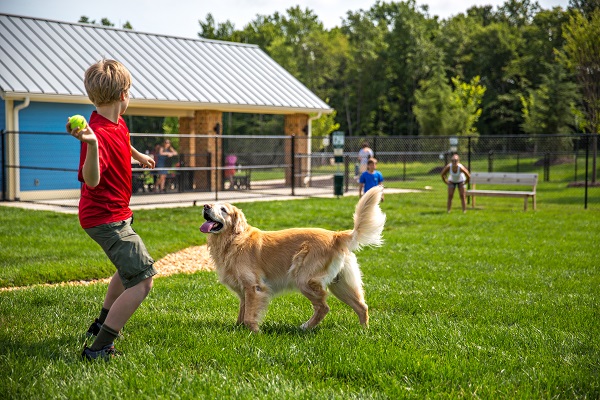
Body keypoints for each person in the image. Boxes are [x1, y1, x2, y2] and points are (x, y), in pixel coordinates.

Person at [67, 59, 157, 360]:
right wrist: (91, 145)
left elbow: (123, 140)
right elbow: (91, 180)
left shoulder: (114, 123)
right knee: (143, 279)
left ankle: (100, 324)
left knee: (126, 269)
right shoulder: (97, 135)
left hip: (116, 212)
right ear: (124, 94)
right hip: (105, 218)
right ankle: (100, 347)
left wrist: (139, 156)